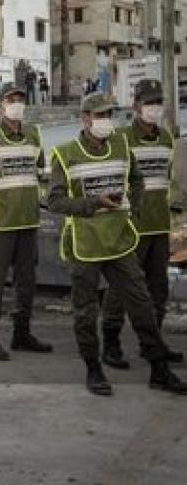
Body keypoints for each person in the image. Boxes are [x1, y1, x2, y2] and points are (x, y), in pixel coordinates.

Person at [48, 91, 187, 396]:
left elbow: (137, 180)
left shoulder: (122, 146)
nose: (106, 121)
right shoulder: (65, 154)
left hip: (120, 241)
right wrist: (93, 203)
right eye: (100, 115)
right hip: (86, 244)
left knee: (141, 304)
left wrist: (133, 211)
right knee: (86, 311)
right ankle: (94, 369)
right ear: (85, 119)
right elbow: (55, 201)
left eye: (109, 115)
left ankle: (159, 369)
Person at [0, 82, 53, 360]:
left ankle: (21, 333)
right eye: (11, 99)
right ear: (2, 104)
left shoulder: (34, 134)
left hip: (27, 219)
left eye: (20, 99)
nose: (16, 103)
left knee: (27, 280)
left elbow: (39, 170)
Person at [101, 79, 184, 369]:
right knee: (121, 289)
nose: (154, 108)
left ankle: (152, 344)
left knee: (158, 290)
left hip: (158, 227)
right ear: (136, 105)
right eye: (149, 102)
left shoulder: (166, 139)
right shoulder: (121, 139)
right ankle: (110, 344)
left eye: (158, 102)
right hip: (129, 228)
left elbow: (166, 181)